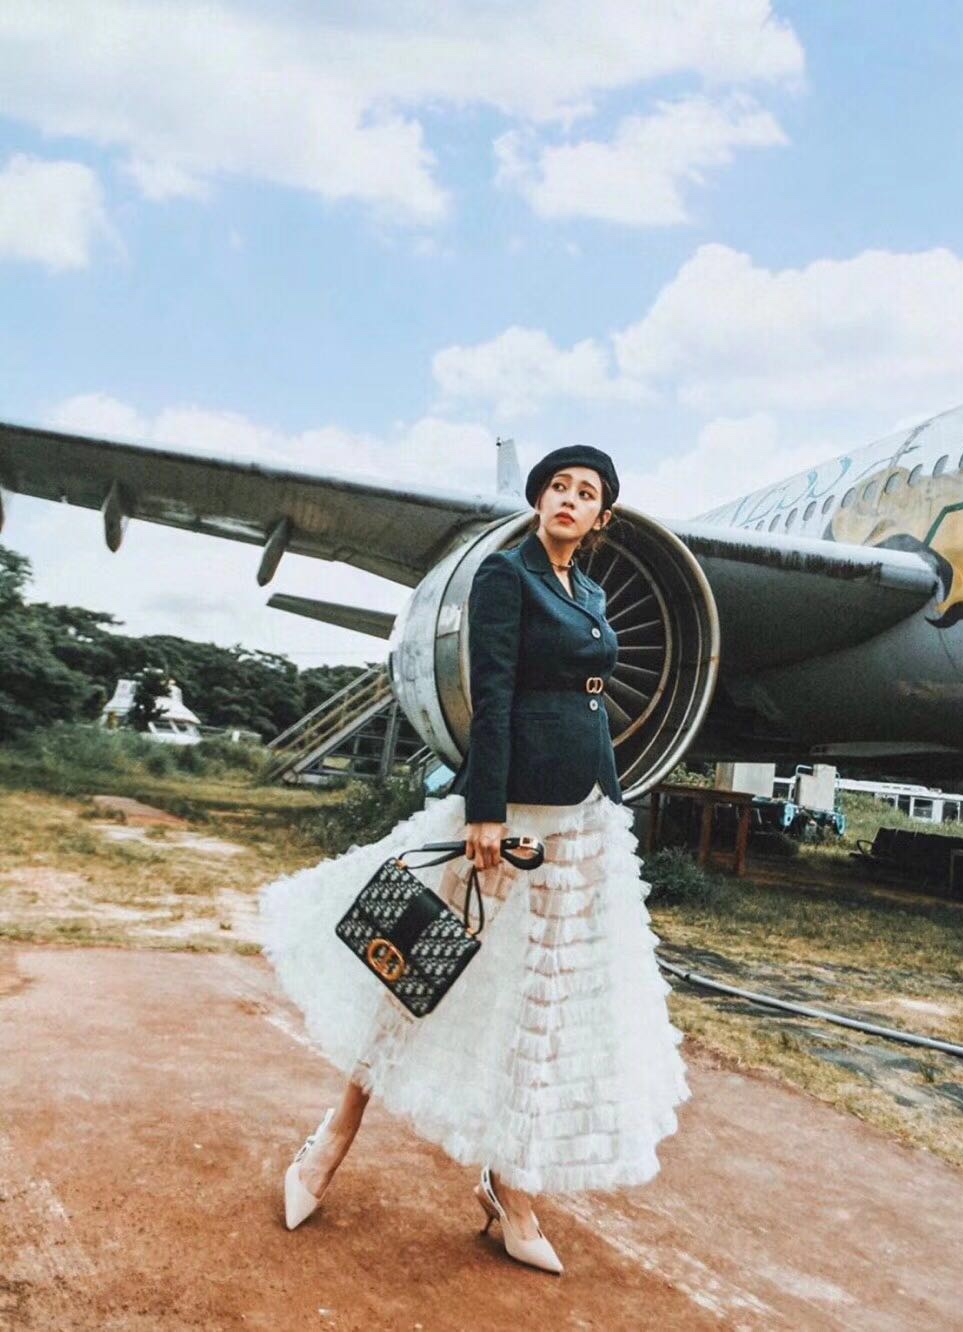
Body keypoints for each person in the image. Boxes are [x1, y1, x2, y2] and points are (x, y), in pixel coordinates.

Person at [258, 445, 690, 1275]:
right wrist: (484, 810)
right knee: (419, 966)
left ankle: (510, 1190)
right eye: (558, 486)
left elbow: (589, 696)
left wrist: (604, 790)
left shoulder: (592, 593)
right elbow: (491, 693)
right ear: (539, 500)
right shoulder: (505, 576)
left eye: (586, 493)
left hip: (585, 813)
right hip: (511, 807)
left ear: (601, 518)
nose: (568, 499)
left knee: (545, 1003)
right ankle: (332, 1138)